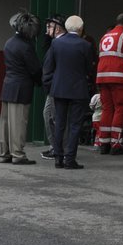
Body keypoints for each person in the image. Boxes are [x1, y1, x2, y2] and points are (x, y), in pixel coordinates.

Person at [41, 14, 96, 170]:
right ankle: (70, 159)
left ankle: (58, 157)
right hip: (78, 89)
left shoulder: (56, 44)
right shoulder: (85, 45)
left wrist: (50, 86)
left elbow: (49, 66)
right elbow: (89, 68)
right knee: (75, 125)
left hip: (59, 89)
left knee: (59, 123)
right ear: (80, 28)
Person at [0, 10, 41, 165]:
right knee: (18, 123)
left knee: (5, 123)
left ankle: (4, 153)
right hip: (22, 87)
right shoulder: (26, 47)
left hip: (8, 85)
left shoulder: (9, 42)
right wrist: (40, 81)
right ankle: (18, 154)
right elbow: (35, 69)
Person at [95, 13, 123, 154]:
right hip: (118, 77)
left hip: (102, 77)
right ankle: (116, 143)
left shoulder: (105, 36)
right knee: (121, 108)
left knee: (107, 109)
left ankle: (104, 143)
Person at [38, 15, 64, 159]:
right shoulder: (54, 44)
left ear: (57, 28)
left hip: (55, 87)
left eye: (50, 26)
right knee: (49, 115)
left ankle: (57, 148)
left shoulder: (58, 44)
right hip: (53, 87)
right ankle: (55, 146)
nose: (47, 29)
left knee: (52, 116)